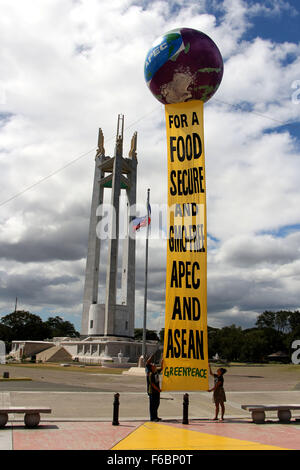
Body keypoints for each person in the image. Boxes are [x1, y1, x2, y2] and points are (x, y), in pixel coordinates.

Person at [145, 353, 163, 422]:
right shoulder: (150, 374)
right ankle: (152, 418)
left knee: (157, 403)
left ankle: (156, 416)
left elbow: (162, 367)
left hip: (157, 391)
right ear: (151, 367)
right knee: (152, 405)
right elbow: (152, 384)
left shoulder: (156, 372)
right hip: (152, 391)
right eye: (152, 365)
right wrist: (151, 356)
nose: (154, 365)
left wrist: (162, 360)